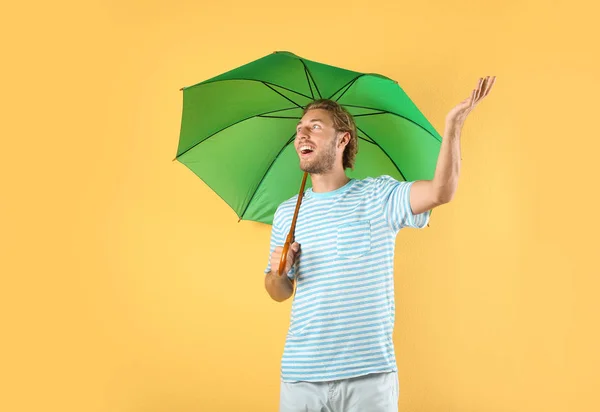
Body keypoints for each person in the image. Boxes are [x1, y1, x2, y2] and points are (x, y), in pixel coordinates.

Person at [263, 77, 496, 412]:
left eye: (315, 127)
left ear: (343, 139)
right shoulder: (288, 214)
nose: (302, 134)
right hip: (302, 377)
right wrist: (278, 271)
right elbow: (278, 291)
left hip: (369, 378)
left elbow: (440, 192)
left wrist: (453, 125)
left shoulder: (379, 196)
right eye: (300, 128)